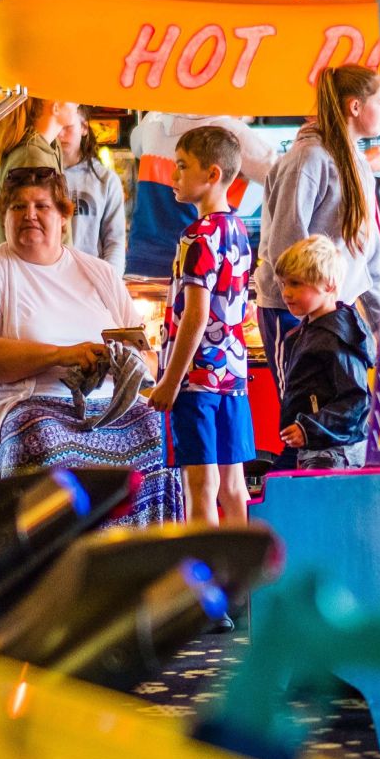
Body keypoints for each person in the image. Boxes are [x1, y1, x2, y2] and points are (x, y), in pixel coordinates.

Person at [0, 166, 180, 524]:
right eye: (17, 207)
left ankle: (141, 560)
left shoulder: (99, 273)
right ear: (5, 216)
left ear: (64, 215)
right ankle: (51, 569)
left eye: (41, 206)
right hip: (24, 406)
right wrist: (63, 356)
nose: (29, 214)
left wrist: (125, 361)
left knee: (156, 430)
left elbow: (150, 360)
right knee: (40, 437)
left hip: (108, 404)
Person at [254, 64, 380, 393]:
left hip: (335, 312)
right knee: (300, 414)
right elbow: (286, 246)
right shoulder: (308, 159)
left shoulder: (358, 164)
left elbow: (366, 255)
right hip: (294, 312)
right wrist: (309, 309)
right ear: (355, 106)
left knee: (335, 415)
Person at [148, 126, 254, 529]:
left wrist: (170, 382)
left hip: (195, 378)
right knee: (234, 486)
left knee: (200, 489)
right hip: (233, 373)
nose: (173, 176)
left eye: (181, 166)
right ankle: (246, 583)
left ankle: (205, 583)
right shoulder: (238, 230)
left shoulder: (197, 235)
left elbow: (195, 314)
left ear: (211, 174)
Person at [125, 112, 276, 278]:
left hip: (143, 256)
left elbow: (134, 144)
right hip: (205, 253)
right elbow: (284, 177)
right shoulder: (233, 133)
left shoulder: (152, 121)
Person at [273, 236, 373, 470]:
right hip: (318, 447)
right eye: (283, 284)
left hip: (332, 452)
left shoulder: (335, 337)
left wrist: (310, 428)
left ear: (328, 285)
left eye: (296, 284)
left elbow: (355, 399)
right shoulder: (313, 330)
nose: (286, 293)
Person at [0, 97, 75, 250]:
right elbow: (32, 243)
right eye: (71, 96)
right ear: (55, 108)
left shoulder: (47, 148)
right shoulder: (31, 157)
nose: (77, 103)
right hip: (27, 272)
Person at [60, 105, 128, 270]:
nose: (60, 134)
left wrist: (111, 283)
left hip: (91, 278)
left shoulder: (105, 180)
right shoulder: (39, 175)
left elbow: (114, 241)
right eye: (57, 126)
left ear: (84, 128)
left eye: (67, 127)